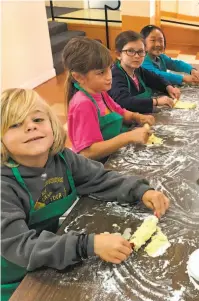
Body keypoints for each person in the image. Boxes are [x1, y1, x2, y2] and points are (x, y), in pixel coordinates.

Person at [0, 88, 170, 301]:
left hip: (53, 255)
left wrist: (140, 190)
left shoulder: (62, 158)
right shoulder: (4, 186)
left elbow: (99, 178)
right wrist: (88, 245)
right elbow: (20, 246)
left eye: (37, 119)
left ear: (52, 125)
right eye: (15, 124)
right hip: (15, 277)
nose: (31, 127)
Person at [63, 37, 154, 162]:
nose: (109, 77)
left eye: (109, 69)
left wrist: (136, 117)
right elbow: (87, 152)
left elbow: (119, 111)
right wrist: (128, 137)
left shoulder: (100, 91)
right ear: (79, 77)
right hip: (96, 167)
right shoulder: (83, 104)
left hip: (112, 157)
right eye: (101, 73)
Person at [109, 31, 180, 114]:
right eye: (130, 51)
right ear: (118, 54)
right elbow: (123, 101)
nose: (137, 56)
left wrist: (169, 87)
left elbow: (156, 78)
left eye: (140, 51)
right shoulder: (115, 76)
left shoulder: (138, 70)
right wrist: (156, 101)